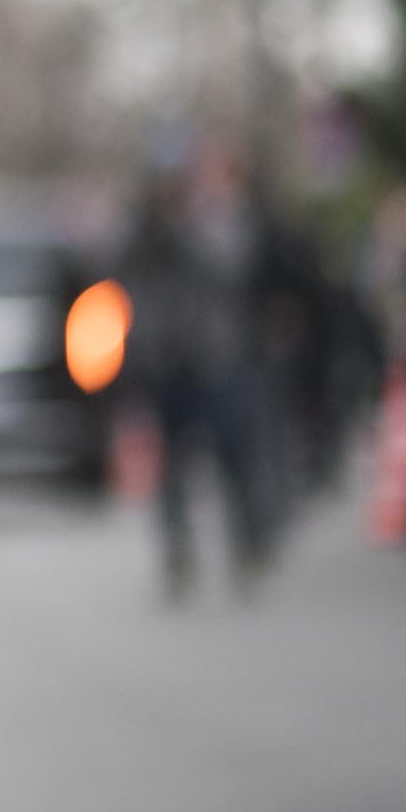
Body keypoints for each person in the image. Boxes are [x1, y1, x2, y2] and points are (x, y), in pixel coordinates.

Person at [119, 132, 274, 596]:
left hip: (215, 359)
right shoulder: (144, 229)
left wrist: (185, 229)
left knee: (231, 456)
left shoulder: (217, 219)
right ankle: (176, 546)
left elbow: (232, 267)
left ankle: (245, 540)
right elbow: (123, 280)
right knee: (170, 462)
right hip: (166, 361)